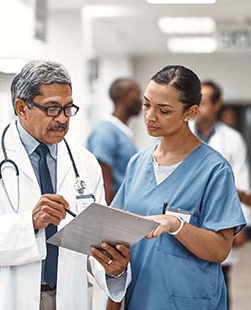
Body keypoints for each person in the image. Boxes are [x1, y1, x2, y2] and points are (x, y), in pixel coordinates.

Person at [0, 60, 131, 310]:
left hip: (69, 299)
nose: (63, 119)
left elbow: (93, 242)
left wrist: (113, 270)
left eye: (68, 108)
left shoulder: (84, 162)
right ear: (21, 107)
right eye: (53, 109)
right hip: (7, 300)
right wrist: (29, 223)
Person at [107, 65, 246, 310]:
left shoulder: (214, 169)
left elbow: (220, 249)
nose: (150, 116)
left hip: (189, 301)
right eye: (147, 104)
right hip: (140, 297)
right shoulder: (138, 164)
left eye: (164, 110)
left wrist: (176, 225)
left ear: (190, 112)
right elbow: (116, 231)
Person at [191, 80, 251, 309]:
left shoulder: (232, 139)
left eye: (204, 102)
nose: (198, 107)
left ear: (217, 105)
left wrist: (240, 225)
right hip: (189, 221)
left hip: (220, 222)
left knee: (220, 282)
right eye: (196, 101)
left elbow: (243, 185)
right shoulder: (182, 133)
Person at [87, 78, 141, 204]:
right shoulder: (105, 131)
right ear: (123, 97)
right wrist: (107, 215)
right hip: (112, 209)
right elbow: (103, 179)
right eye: (137, 94)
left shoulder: (123, 131)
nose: (141, 100)